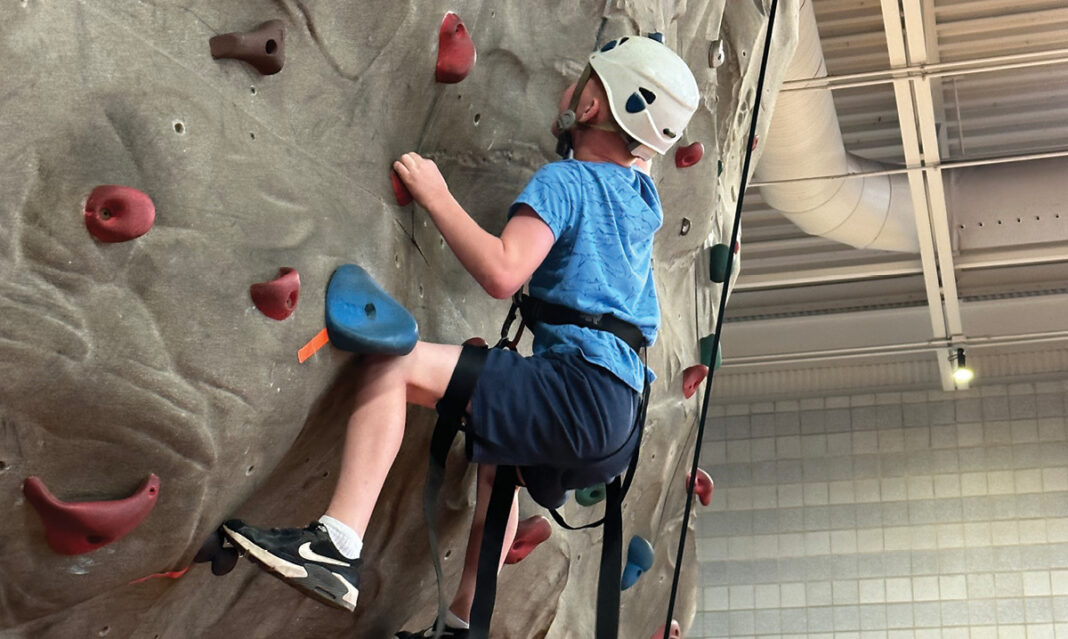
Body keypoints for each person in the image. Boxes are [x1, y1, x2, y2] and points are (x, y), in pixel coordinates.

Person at [221, 34, 699, 637]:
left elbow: (503, 272)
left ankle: (334, 545)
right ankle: (458, 625)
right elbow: (642, 147)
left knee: (393, 365)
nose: (573, 84)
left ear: (591, 108)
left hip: (580, 388)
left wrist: (437, 194)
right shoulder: (642, 196)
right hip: (618, 420)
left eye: (586, 79)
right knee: (500, 471)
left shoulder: (566, 184)